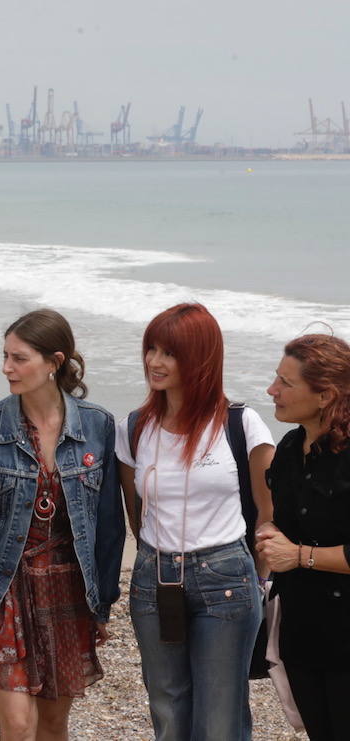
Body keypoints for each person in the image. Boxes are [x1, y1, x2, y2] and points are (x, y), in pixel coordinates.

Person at [0, 308, 124, 741]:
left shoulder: (97, 425)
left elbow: (109, 527)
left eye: (19, 358)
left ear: (54, 362)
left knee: (54, 724)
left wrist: (104, 603)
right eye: (5, 356)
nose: (6, 368)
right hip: (6, 587)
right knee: (19, 726)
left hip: (67, 589)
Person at [116, 303, 273, 741]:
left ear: (201, 358)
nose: (154, 362)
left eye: (169, 352)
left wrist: (258, 579)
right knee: (167, 707)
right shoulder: (133, 427)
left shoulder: (241, 423)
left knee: (221, 715)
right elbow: (136, 510)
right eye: (151, 349)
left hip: (225, 577)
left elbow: (267, 512)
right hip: (154, 579)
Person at [257, 334, 350, 741]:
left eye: (286, 383)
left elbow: (299, 549)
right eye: (276, 378)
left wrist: (299, 555)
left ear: (326, 394)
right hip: (300, 629)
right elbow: (286, 524)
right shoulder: (291, 447)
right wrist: (271, 534)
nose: (271, 390)